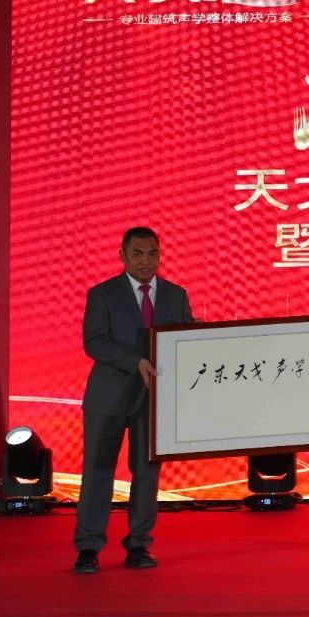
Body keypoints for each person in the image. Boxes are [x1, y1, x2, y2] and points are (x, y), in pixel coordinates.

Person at [73, 227, 195, 573]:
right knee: (98, 471)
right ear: (123, 256)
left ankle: (139, 545)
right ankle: (88, 548)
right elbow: (94, 341)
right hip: (108, 398)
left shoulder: (175, 295)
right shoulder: (103, 294)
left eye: (153, 254)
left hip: (153, 401)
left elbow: (184, 339)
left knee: (146, 473)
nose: (146, 261)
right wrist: (135, 361)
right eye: (138, 254)